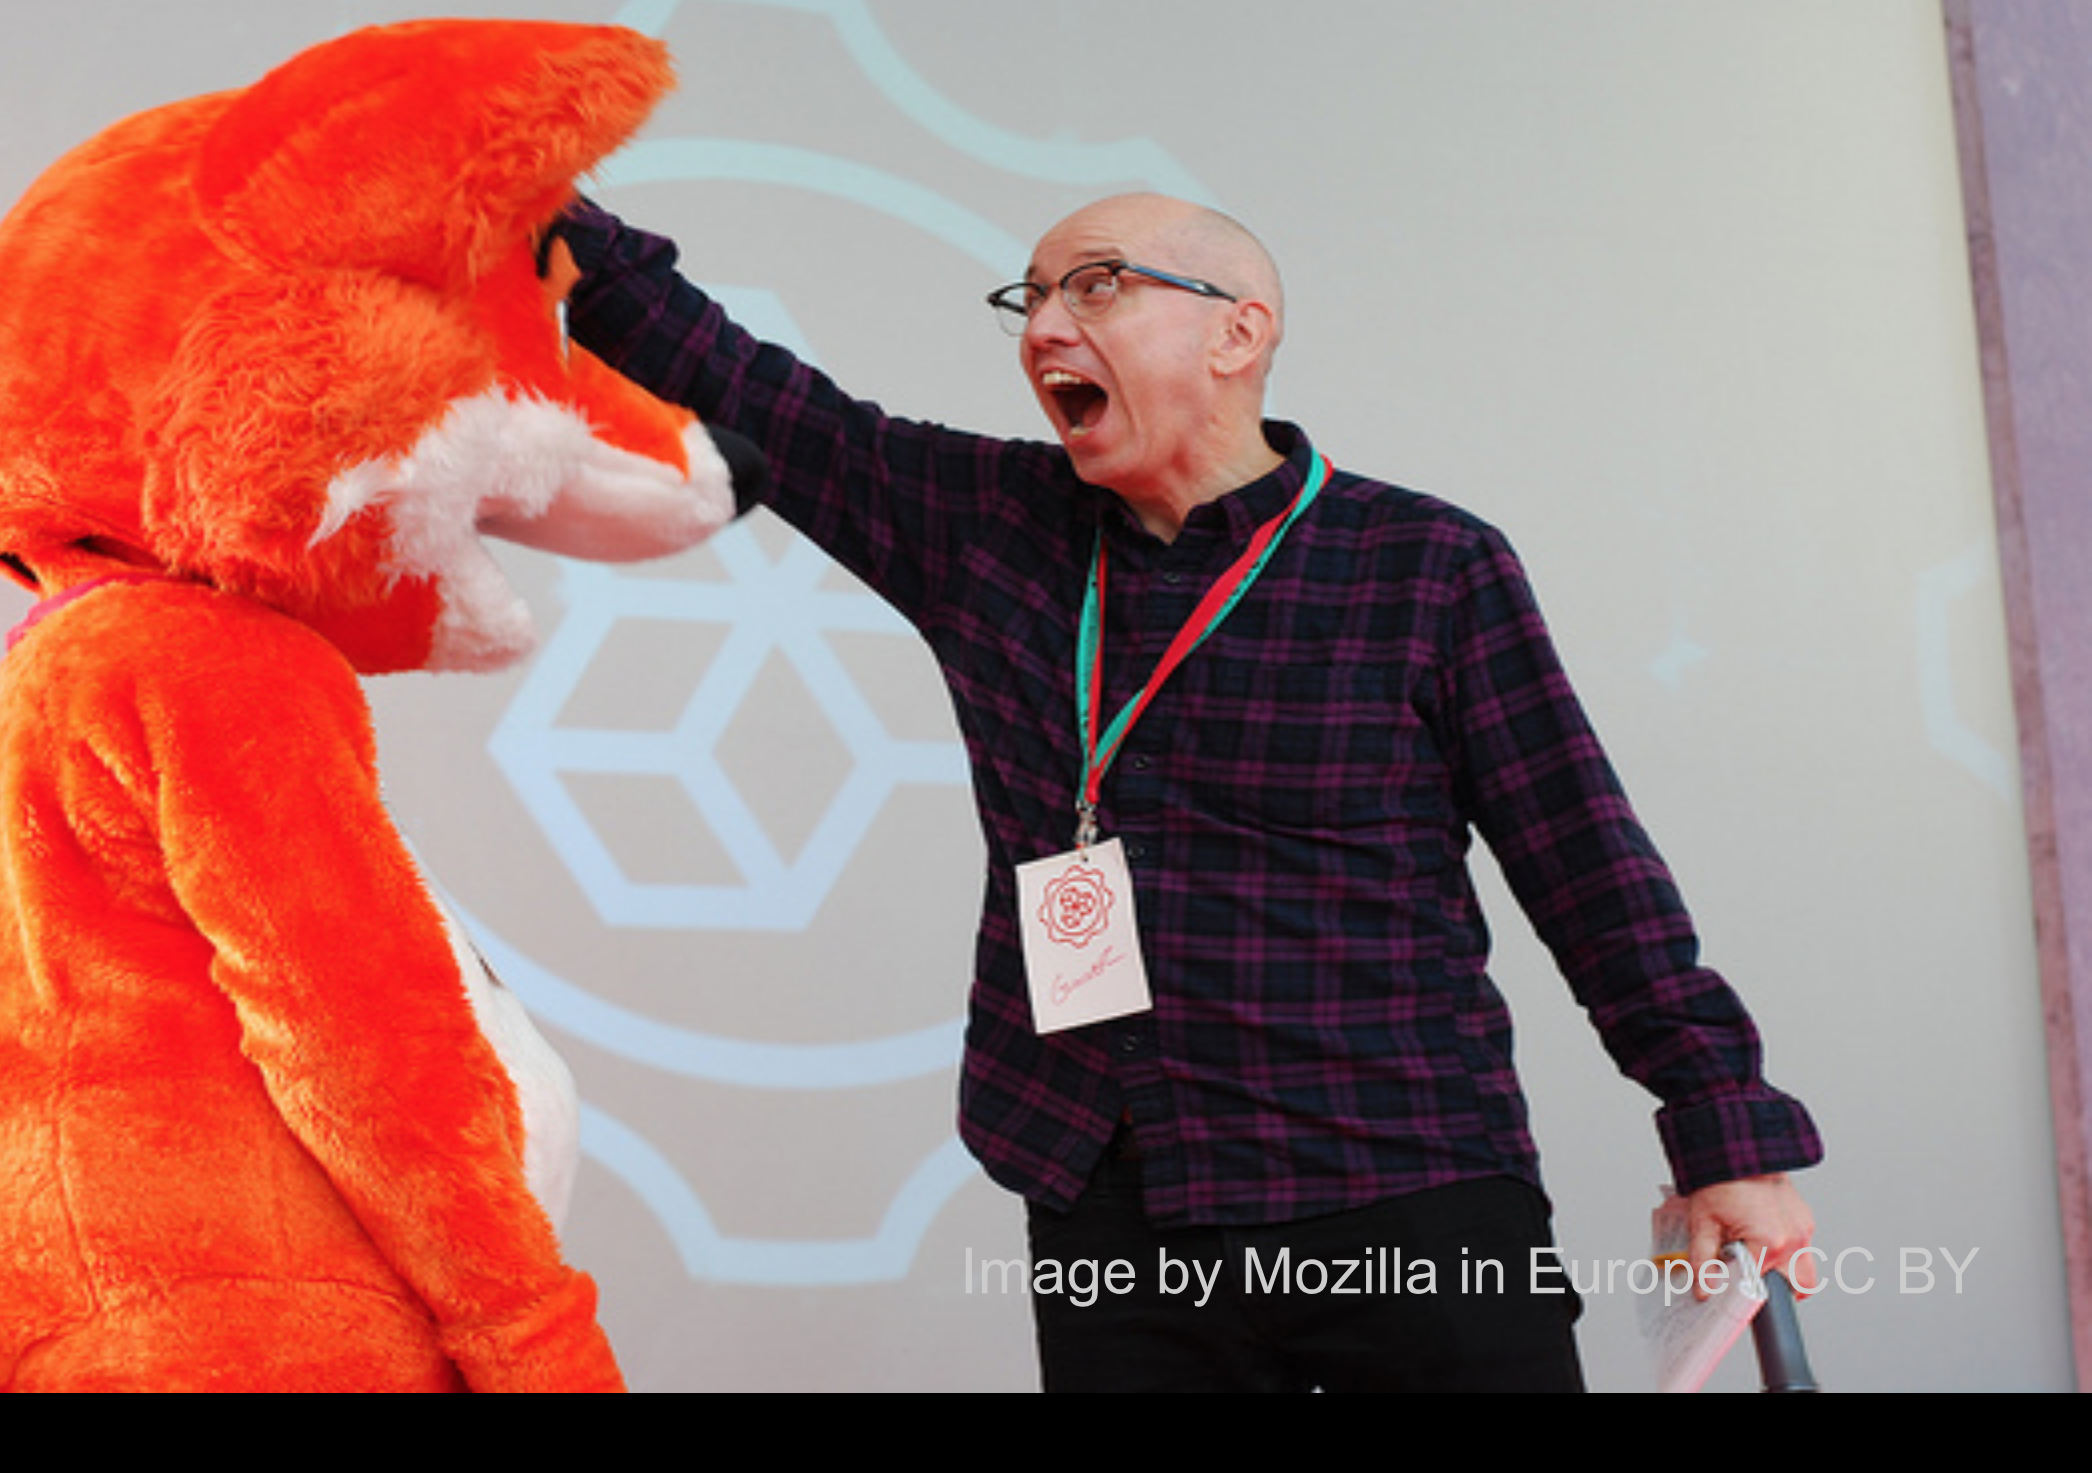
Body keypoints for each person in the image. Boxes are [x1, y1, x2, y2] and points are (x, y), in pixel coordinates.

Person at [557, 191, 1820, 1391]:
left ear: (1238, 331)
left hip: (1403, 1178)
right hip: (1110, 1193)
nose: (1048, 326)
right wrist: (526, 203)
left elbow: (1585, 864)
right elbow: (742, 383)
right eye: (1034, 297)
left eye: (1098, 285)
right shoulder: (984, 525)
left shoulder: (1424, 564)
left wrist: (1726, 1130)